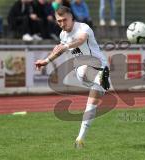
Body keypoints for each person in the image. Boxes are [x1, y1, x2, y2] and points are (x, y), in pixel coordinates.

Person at [35, 6, 110, 148]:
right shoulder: (63, 35)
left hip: (100, 66)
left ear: (72, 18)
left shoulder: (83, 28)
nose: (62, 24)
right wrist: (45, 61)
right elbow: (59, 50)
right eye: (59, 21)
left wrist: (66, 46)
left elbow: (80, 40)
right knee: (84, 71)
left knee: (91, 105)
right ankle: (101, 77)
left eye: (65, 20)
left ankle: (79, 140)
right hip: (83, 70)